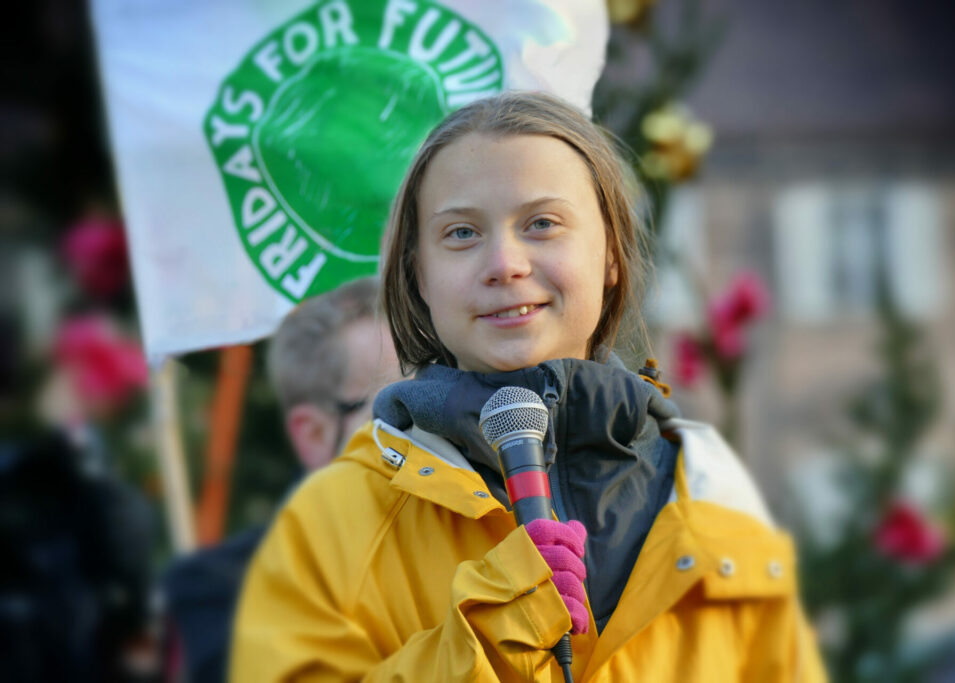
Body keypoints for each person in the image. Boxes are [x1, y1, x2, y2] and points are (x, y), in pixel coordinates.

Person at [231, 92, 826, 681]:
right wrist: (491, 636)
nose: (505, 263)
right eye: (462, 233)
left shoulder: (708, 489)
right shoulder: (332, 519)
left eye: (542, 224)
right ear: (419, 276)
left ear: (611, 255)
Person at [162, 277, 400, 683]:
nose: (433, 419)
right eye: (397, 405)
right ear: (314, 435)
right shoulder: (222, 587)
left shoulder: (490, 533)